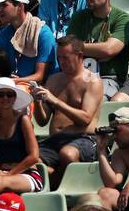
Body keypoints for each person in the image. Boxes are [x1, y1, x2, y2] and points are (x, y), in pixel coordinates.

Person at [33, 35, 104, 178]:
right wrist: (37, 102)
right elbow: (42, 121)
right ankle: (54, 179)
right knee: (32, 159)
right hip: (56, 139)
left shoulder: (92, 81)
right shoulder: (53, 80)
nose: (61, 62)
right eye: (59, 58)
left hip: (84, 138)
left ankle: (58, 179)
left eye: (65, 57)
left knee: (68, 154)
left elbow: (85, 119)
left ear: (79, 56)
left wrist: (55, 101)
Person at [66, 0, 129, 98]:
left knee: (95, 100)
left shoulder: (122, 18)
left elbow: (109, 49)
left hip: (109, 77)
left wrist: (80, 47)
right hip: (81, 75)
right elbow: (68, 48)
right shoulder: (78, 17)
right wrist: (98, 51)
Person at [0, 0, 55, 84]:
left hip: (39, 87)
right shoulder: (3, 35)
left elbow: (39, 76)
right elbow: (1, 69)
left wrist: (13, 81)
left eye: (4, 5)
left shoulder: (43, 33)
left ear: (20, 6)